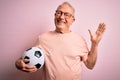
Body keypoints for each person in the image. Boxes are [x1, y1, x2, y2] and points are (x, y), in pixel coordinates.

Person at [15, 2, 106, 80]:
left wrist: (95, 44)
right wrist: (18, 64)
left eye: (66, 14)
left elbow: (90, 65)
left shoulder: (79, 40)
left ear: (72, 20)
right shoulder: (42, 39)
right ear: (55, 15)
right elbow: (25, 59)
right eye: (59, 13)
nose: (61, 17)